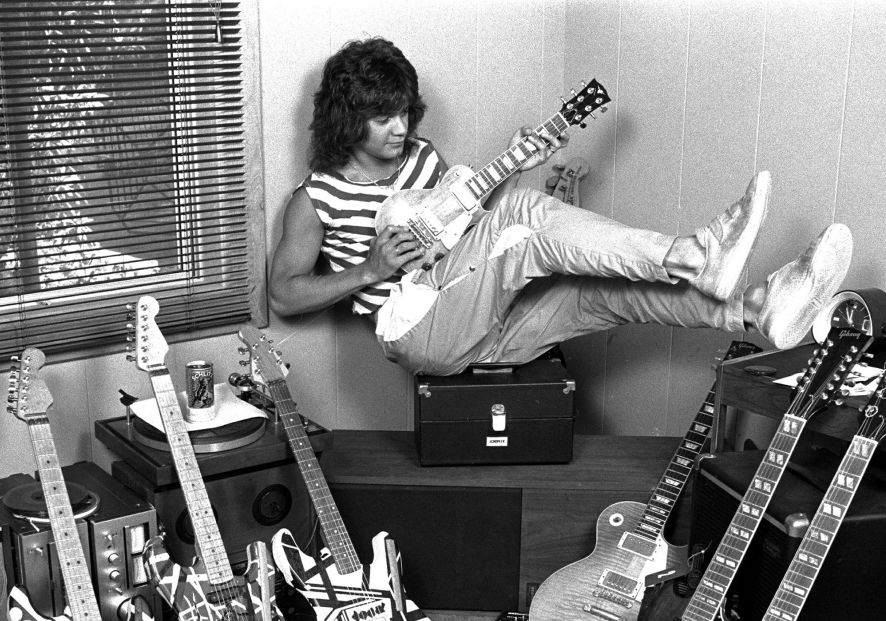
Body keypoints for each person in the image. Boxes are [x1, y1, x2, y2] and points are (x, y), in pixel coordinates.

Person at [268, 37, 852, 376]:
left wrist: (514, 167)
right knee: (523, 212)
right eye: (382, 117)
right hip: (419, 333)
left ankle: (760, 310)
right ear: (348, 119)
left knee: (600, 290)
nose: (400, 128)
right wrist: (370, 270)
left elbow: (465, 238)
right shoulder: (316, 197)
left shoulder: (423, 158)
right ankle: (697, 254)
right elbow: (284, 295)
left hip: (490, 330)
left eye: (404, 112)